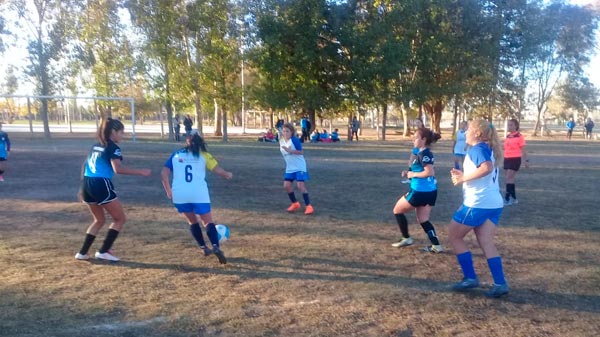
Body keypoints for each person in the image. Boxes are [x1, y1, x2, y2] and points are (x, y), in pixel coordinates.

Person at [75, 118, 152, 262]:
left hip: (87, 183)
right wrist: (140, 172)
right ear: (113, 132)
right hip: (101, 184)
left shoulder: (95, 146)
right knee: (120, 219)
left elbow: (85, 165)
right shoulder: (113, 147)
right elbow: (118, 169)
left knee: (99, 220)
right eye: (121, 133)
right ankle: (104, 251)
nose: (122, 136)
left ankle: (82, 253)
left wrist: (81, 188)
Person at [449, 120, 508, 298]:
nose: (465, 132)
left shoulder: (477, 149)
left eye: (468, 130)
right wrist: (464, 176)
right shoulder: (484, 148)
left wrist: (462, 179)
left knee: (454, 236)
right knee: (486, 241)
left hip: (478, 203)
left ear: (477, 134)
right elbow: (484, 170)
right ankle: (500, 283)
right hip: (493, 203)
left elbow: (486, 168)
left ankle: (470, 278)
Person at [161, 132, 233, 264]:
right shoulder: (204, 155)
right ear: (201, 143)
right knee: (208, 221)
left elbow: (164, 173)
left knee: (192, 222)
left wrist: (168, 190)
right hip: (198, 193)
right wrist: (227, 174)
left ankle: (203, 248)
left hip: (180, 194)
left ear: (186, 143)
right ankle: (216, 246)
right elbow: (218, 170)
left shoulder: (176, 155)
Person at [391, 128, 443, 253]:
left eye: (416, 137)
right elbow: (420, 169)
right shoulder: (421, 152)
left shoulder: (424, 154)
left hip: (420, 191)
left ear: (423, 140)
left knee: (397, 210)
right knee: (423, 220)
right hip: (431, 192)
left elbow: (429, 172)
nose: (413, 139)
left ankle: (406, 238)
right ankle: (436, 246)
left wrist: (412, 174)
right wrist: (408, 173)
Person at [280, 122, 314, 215]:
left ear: (292, 132)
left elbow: (301, 152)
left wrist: (290, 150)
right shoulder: (282, 141)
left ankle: (309, 206)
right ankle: (295, 203)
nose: (285, 133)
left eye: (287, 131)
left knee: (300, 186)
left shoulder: (294, 140)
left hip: (300, 166)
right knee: (286, 186)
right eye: (284, 131)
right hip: (290, 167)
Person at [503, 118, 528, 205]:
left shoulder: (520, 137)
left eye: (511, 125)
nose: (509, 127)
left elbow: (524, 150)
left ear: (516, 126)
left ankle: (507, 198)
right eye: (508, 125)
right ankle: (513, 198)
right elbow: (505, 147)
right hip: (507, 158)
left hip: (515, 159)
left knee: (508, 178)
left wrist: (526, 160)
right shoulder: (508, 136)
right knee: (510, 179)